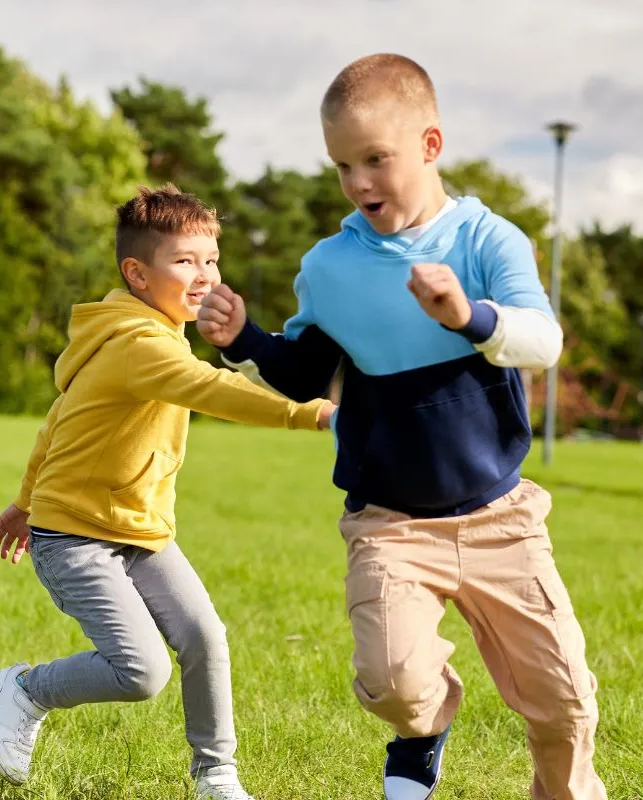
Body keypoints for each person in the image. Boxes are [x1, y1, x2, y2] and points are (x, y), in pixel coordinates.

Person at [198, 54, 606, 800]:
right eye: (343, 166)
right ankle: (425, 735)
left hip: (500, 519)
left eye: (375, 160)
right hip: (389, 523)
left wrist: (469, 318)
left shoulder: (488, 243)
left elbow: (543, 344)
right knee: (392, 684)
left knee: (565, 701)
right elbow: (304, 371)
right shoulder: (329, 267)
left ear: (429, 144)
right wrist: (244, 340)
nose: (358, 183)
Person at [0, 185, 333, 800]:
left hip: (140, 532)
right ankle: (24, 689)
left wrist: (20, 501)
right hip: (75, 538)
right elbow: (212, 388)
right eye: (185, 262)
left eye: (211, 259)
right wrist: (313, 413)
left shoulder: (147, 333)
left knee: (204, 638)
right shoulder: (140, 345)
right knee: (141, 670)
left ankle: (216, 777)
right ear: (137, 274)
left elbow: (57, 421)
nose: (205, 276)